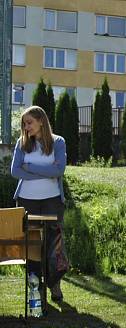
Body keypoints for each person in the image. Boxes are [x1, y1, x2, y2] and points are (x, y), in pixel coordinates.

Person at [10, 105, 69, 303]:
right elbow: (15, 171)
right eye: (24, 124)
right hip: (26, 201)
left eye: (29, 123)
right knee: (33, 245)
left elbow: (59, 171)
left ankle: (54, 283)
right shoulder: (22, 143)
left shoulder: (58, 142)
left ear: (41, 121)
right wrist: (45, 171)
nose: (26, 127)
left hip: (52, 201)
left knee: (54, 245)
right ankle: (36, 287)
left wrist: (31, 168)